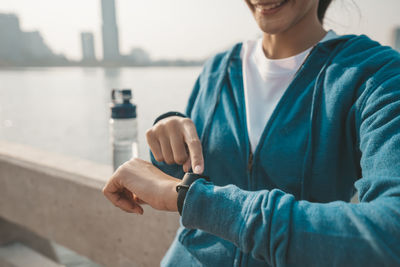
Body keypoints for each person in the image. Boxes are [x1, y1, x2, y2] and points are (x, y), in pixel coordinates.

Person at [103, 0, 400, 266]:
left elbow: (392, 231)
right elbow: (184, 177)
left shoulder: (377, 75)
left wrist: (189, 199)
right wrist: (168, 134)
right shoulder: (217, 70)